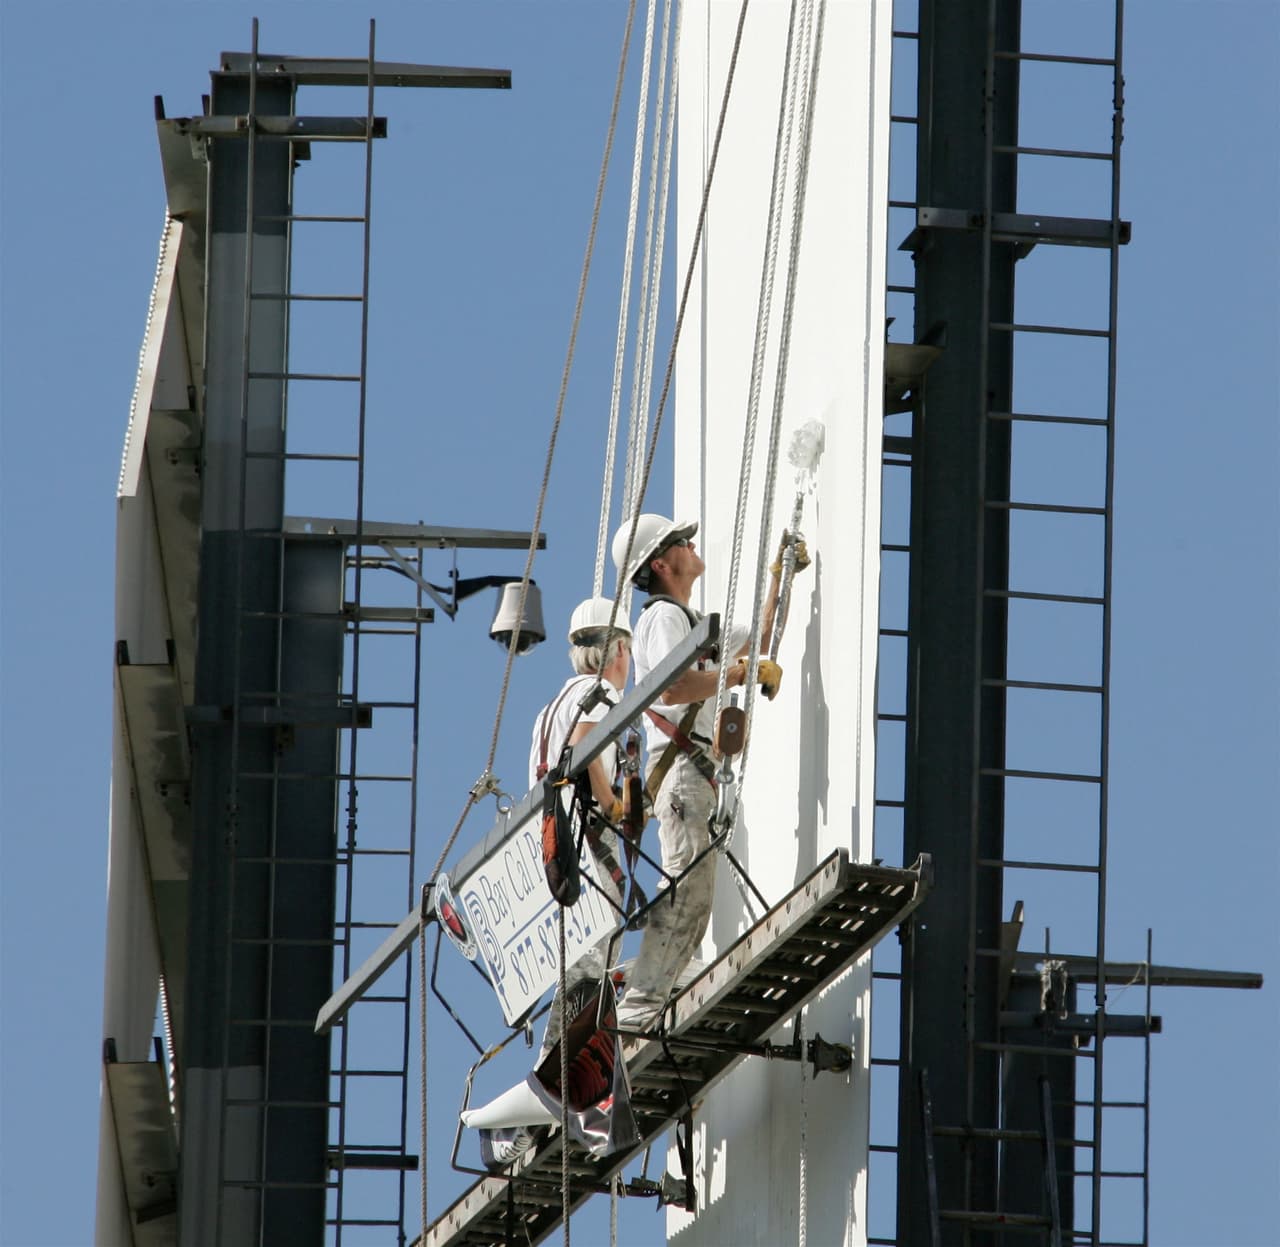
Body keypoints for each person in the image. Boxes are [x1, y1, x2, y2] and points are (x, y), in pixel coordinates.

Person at [609, 513, 807, 1030]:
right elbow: (670, 689)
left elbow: (762, 640)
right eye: (681, 541)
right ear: (661, 562)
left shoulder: (692, 625)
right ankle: (637, 1011)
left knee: (693, 901)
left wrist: (779, 578)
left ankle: (647, 998)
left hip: (696, 772)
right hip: (680, 772)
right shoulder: (661, 619)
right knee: (686, 893)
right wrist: (741, 673)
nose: (692, 542)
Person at [527, 594, 633, 1061]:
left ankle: (562, 1055)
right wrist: (611, 802)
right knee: (594, 952)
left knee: (578, 955)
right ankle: (563, 1059)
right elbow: (584, 742)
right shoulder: (602, 694)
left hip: (550, 841)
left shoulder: (551, 707)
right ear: (617, 651)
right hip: (584, 833)